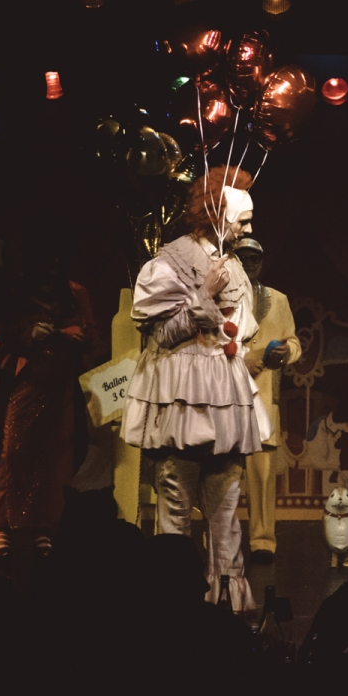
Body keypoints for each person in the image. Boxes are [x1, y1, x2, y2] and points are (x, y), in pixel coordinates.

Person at [121, 166, 269, 611]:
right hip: (182, 401)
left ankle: (227, 603)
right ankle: (174, 605)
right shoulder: (169, 263)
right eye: (242, 220)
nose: (248, 229)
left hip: (224, 401)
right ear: (216, 216)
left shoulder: (234, 265)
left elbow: (236, 333)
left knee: (226, 512)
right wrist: (203, 292)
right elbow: (162, 334)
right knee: (176, 508)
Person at [0, 247, 97, 560]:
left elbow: (92, 334)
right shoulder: (18, 290)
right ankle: (3, 524)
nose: (53, 267)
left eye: (58, 261)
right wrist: (29, 334)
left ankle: (43, 526)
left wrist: (79, 337)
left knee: (55, 457)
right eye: (47, 260)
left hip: (62, 385)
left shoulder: (75, 292)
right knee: (13, 453)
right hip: (24, 383)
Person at [233, 238, 301, 565]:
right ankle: (222, 539)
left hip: (264, 398)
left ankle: (262, 542)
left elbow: (294, 341)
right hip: (228, 397)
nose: (249, 264)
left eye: (254, 259)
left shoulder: (278, 299)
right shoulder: (220, 299)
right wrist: (241, 361)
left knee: (262, 477)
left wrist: (287, 351)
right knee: (225, 477)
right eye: (243, 258)